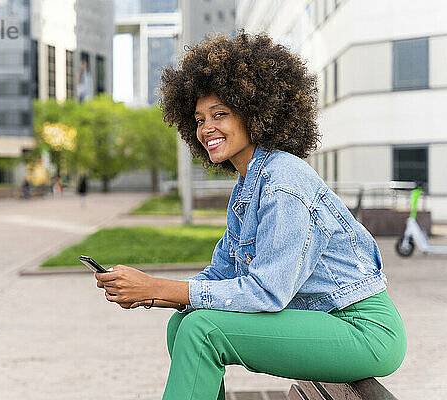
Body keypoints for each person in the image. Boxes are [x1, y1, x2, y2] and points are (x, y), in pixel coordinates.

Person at [94, 31, 407, 399]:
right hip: (324, 320)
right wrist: (147, 293)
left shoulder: (284, 180)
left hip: (364, 330)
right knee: (181, 325)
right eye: (198, 119)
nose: (205, 128)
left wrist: (157, 288)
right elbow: (222, 276)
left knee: (202, 330)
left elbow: (266, 291)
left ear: (255, 112)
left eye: (220, 114)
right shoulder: (248, 186)